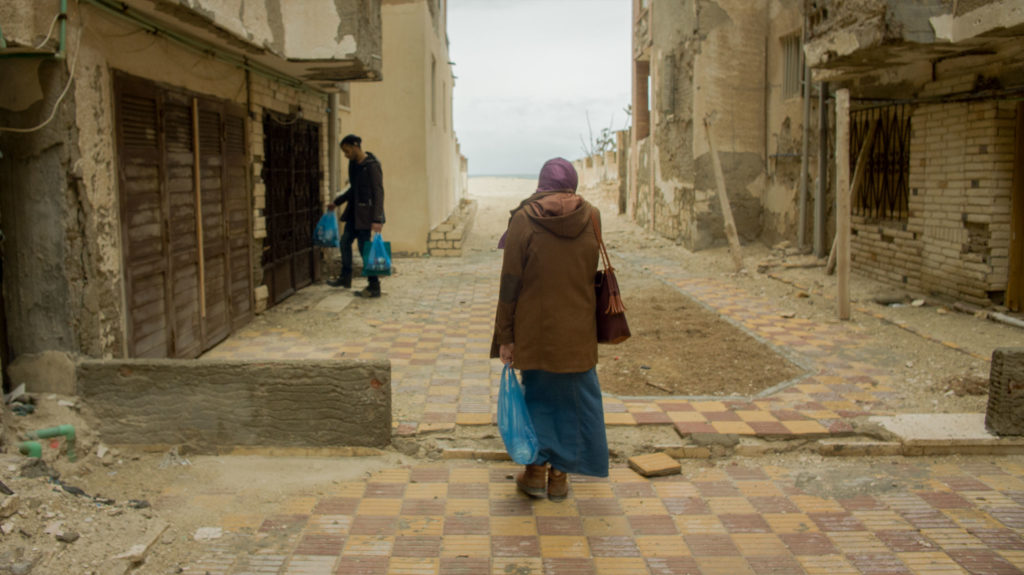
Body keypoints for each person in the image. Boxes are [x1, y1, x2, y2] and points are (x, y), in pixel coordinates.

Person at [490, 157, 609, 501]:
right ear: (572, 182)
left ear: (542, 183)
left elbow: (510, 283)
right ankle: (559, 477)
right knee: (575, 401)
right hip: (578, 331)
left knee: (538, 399)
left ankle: (535, 472)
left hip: (536, 330)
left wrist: (506, 336)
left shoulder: (524, 219)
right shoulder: (593, 216)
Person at [327, 134, 385, 298]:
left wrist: (377, 219)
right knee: (345, 241)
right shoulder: (353, 164)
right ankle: (345, 277)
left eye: (347, 151)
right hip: (354, 213)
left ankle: (374, 286)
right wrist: (337, 202)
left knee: (364, 249)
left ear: (355, 146)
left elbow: (378, 193)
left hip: (367, 216)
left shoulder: (372, 166)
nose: (346, 155)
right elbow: (353, 189)